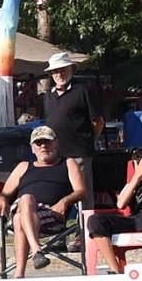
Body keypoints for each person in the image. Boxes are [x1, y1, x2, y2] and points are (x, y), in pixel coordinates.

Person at [0, 125, 86, 278]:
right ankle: (37, 250)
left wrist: (65, 201)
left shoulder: (68, 163)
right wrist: (1, 199)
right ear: (32, 148)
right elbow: (5, 193)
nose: (43, 146)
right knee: (26, 200)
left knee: (20, 217)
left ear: (56, 143)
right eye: (38, 143)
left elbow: (81, 191)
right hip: (23, 207)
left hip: (51, 215)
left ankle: (19, 274)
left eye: (47, 142)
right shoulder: (23, 166)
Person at [86, 149, 142, 270]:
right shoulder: (134, 183)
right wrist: (137, 176)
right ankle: (116, 271)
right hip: (135, 220)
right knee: (95, 220)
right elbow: (121, 204)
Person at [42, 52, 100, 205]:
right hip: (56, 157)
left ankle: (87, 221)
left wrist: (88, 141)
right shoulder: (48, 96)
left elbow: (98, 121)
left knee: (83, 197)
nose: (59, 74)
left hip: (79, 154)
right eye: (55, 71)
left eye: (62, 70)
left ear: (71, 70)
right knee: (58, 195)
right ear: (51, 74)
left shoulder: (83, 90)